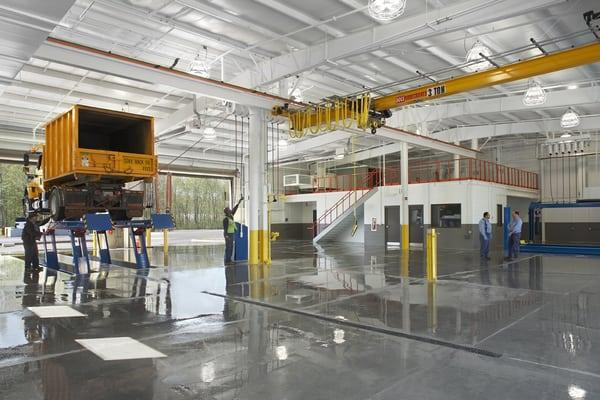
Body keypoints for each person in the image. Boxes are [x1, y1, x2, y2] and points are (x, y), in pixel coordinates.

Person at [223, 197, 244, 265]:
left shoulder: (231, 216)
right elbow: (225, 229)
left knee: (231, 247)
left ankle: (229, 260)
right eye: (229, 209)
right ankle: (227, 260)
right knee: (228, 247)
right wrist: (226, 236)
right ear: (227, 212)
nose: (230, 210)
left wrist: (239, 202)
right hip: (228, 235)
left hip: (232, 234)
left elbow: (235, 209)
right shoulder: (225, 219)